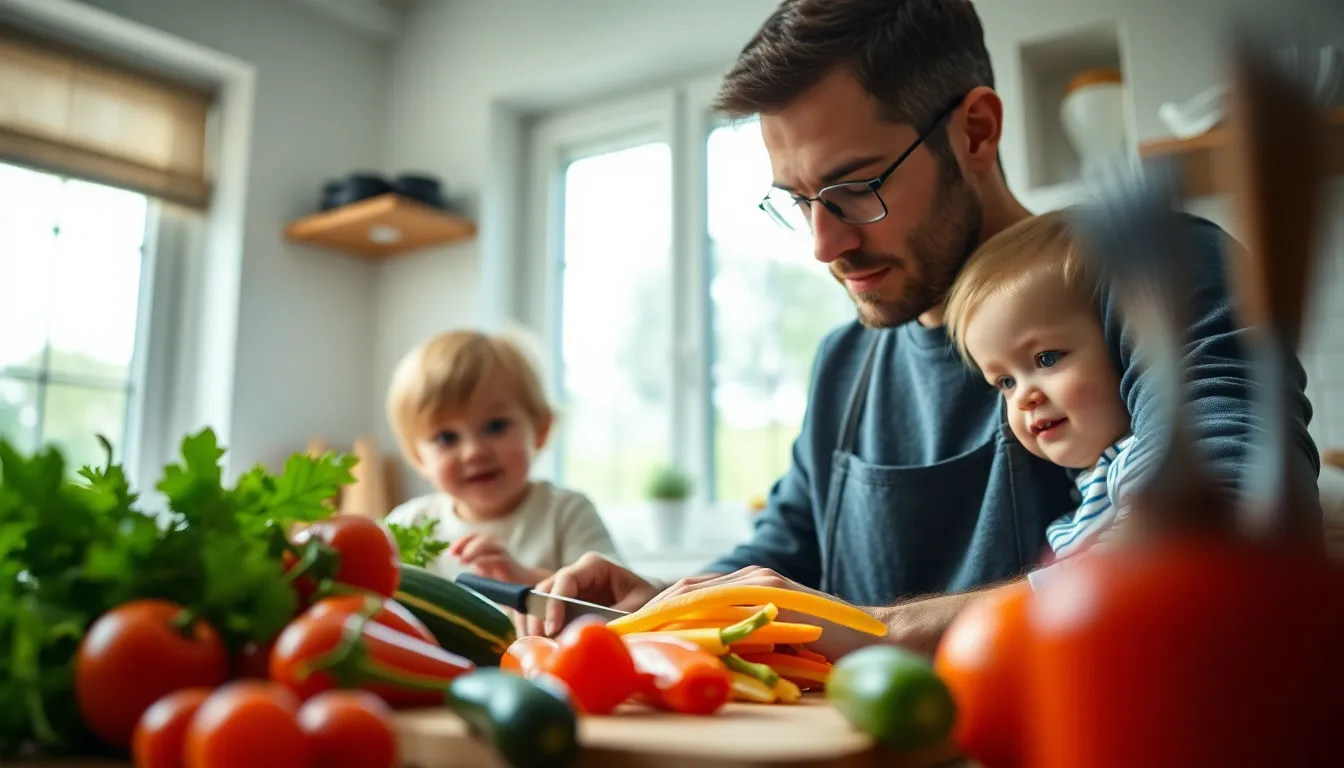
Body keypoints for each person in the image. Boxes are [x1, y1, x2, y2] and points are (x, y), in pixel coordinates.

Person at [526, 0, 1321, 653]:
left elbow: (1216, 538)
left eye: (854, 186)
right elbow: (783, 558)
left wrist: (872, 629)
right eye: (798, 200)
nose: (823, 244)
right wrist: (664, 601)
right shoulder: (845, 362)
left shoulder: (1151, 273)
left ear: (975, 131)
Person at [943, 208, 1138, 570]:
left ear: (1122, 344)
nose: (1023, 397)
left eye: (1047, 359)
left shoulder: (1142, 462)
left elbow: (1140, 562)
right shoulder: (1097, 479)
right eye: (1005, 382)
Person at [383, 329, 621, 585]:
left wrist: (525, 579)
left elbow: (614, 598)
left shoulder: (567, 514)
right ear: (418, 458)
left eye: (495, 426)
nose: (474, 452)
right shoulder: (407, 524)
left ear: (540, 430)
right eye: (446, 438)